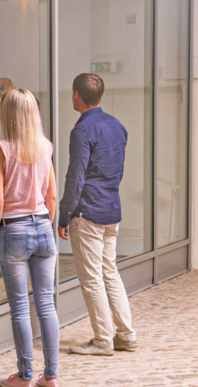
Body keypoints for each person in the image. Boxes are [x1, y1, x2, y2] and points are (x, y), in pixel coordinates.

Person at [57, 73, 138, 356]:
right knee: (110, 273)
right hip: (111, 209)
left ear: (76, 95)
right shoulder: (117, 127)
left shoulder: (82, 131)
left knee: (92, 279)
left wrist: (64, 214)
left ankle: (103, 340)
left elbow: (75, 176)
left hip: (88, 211)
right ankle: (125, 334)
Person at [0, 89, 61, 387]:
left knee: (20, 307)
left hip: (13, 231)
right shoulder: (45, 147)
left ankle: (25, 377)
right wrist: (45, 226)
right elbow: (52, 196)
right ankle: (52, 376)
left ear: (7, 115)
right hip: (43, 227)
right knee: (46, 304)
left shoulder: (0, 148)